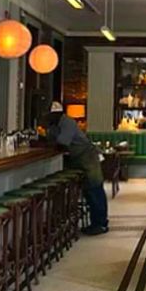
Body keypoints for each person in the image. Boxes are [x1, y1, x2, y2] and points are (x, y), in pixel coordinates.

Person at [46, 101, 109, 236]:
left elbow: (63, 142)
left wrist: (49, 134)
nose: (50, 118)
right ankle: (98, 222)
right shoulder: (58, 124)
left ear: (58, 114)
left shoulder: (67, 123)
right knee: (90, 191)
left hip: (88, 158)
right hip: (80, 160)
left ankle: (100, 224)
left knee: (95, 190)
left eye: (51, 115)